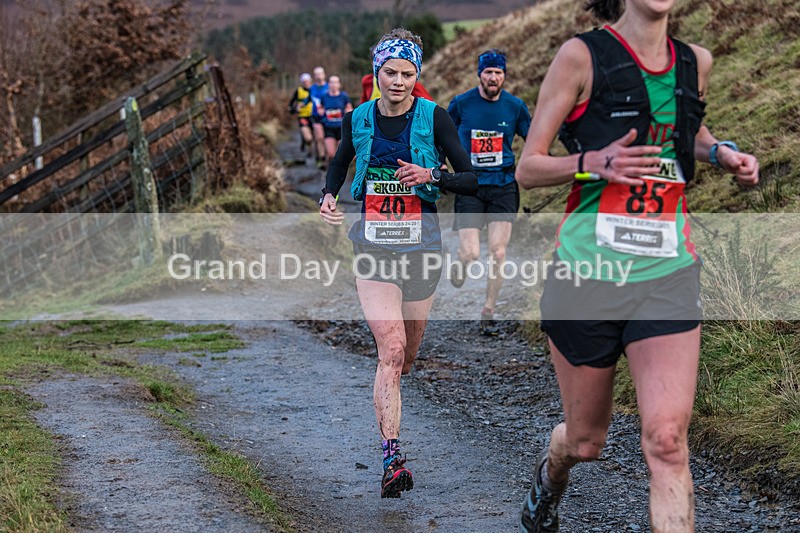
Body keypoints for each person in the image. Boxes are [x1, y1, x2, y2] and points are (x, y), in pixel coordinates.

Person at [515, 0, 759, 531]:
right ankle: (549, 481)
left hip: (666, 272)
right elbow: (528, 168)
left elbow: (683, 130)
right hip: (587, 276)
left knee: (668, 441)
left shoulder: (695, 62)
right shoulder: (581, 57)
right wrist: (592, 162)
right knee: (585, 441)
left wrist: (721, 153)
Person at [318, 28, 477, 498]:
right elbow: (340, 162)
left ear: (416, 75)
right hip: (374, 249)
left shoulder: (434, 118)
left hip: (422, 250)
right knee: (390, 349)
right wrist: (328, 195)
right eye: (390, 72)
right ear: (377, 73)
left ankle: (394, 399)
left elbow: (470, 179)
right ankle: (391, 458)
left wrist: (432, 175)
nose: (399, 81)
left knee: (406, 359)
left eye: (408, 74)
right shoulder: (357, 118)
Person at [446, 49, 531, 332]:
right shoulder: (461, 104)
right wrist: (439, 164)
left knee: (498, 252)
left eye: (498, 72)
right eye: (488, 72)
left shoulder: (515, 106)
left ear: (504, 75)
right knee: (471, 252)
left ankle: (488, 309)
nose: (493, 77)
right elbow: (442, 136)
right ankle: (461, 262)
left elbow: (533, 139)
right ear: (479, 74)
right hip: (470, 185)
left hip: (503, 185)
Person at [360, 45, 434, 104]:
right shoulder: (368, 81)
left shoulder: (409, 84)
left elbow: (429, 107)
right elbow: (363, 107)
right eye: (390, 73)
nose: (398, 82)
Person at [318, 75, 353, 166]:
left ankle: (339, 170)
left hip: (341, 128)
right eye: (332, 82)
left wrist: (348, 111)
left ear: (339, 84)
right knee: (331, 153)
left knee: (341, 153)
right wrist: (321, 112)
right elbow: (320, 108)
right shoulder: (324, 96)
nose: (334, 85)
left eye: (336, 82)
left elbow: (349, 108)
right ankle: (329, 167)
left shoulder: (344, 96)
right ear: (328, 84)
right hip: (329, 127)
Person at [287, 73, 314, 158]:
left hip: (314, 116)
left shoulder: (315, 90)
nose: (306, 83)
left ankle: (312, 150)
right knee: (308, 137)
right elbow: (291, 104)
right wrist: (294, 109)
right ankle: (309, 150)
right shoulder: (298, 91)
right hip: (302, 116)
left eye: (307, 81)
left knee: (315, 135)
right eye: (304, 81)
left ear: (310, 81)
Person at [309, 66, 329, 168]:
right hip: (316, 116)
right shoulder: (312, 88)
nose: (319, 76)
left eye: (320, 74)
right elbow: (308, 99)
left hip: (328, 116)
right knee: (319, 138)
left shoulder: (329, 87)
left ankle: (328, 157)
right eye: (316, 74)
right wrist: (301, 104)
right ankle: (322, 159)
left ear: (324, 75)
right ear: (314, 76)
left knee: (327, 138)